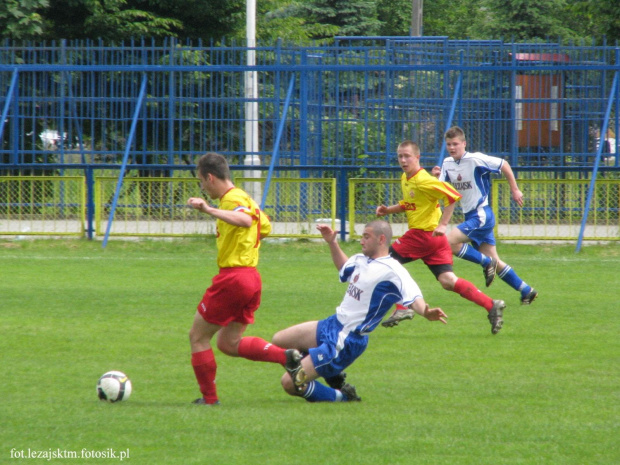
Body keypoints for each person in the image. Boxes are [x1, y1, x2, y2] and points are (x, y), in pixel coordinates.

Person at [272, 220, 447, 402]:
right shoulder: (360, 259)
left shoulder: (394, 271)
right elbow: (344, 269)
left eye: (366, 237)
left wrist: (426, 312)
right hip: (332, 323)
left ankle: (343, 397)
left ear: (380, 239)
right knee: (279, 342)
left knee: (290, 383)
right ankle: (331, 374)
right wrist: (332, 242)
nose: (361, 240)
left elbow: (413, 297)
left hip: (348, 339)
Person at [187, 152, 301, 405]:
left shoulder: (231, 199)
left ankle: (209, 399)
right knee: (229, 343)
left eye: (202, 182)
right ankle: (287, 357)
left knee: (197, 337)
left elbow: (245, 219)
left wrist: (208, 209)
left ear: (210, 177)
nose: (203, 188)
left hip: (234, 278)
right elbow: (265, 226)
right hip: (251, 279)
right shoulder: (245, 198)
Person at [376, 140, 506, 334]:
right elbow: (409, 203)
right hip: (435, 241)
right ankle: (491, 305)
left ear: (417, 157)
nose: (403, 160)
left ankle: (403, 307)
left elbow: (452, 196)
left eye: (407, 156)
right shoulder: (406, 177)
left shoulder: (423, 179)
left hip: (422, 236)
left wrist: (443, 224)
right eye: (400, 156)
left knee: (382, 264)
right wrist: (389, 210)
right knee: (448, 281)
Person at [431, 126, 537, 305]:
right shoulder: (447, 164)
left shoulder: (475, 159)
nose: (452, 147)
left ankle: (485, 262)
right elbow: (441, 189)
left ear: (464, 144)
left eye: (455, 144)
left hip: (481, 215)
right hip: (471, 217)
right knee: (496, 261)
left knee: (448, 242)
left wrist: (515, 189)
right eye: (449, 144)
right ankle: (526, 290)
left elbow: (503, 164)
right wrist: (435, 177)